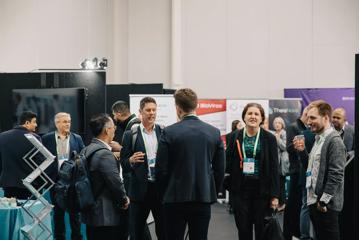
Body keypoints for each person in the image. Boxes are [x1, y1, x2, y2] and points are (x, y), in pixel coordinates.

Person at [156, 88, 225, 240]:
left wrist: (163, 194)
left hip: (174, 198)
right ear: (196, 105)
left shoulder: (169, 132)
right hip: (202, 197)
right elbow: (220, 169)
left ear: (178, 108)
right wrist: (211, 190)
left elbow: (161, 170)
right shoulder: (213, 132)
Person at [226, 102, 279, 240]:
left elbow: (274, 168)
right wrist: (228, 185)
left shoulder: (270, 138)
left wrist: (275, 195)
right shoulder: (234, 136)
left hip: (262, 192)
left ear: (262, 118)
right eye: (250, 113)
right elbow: (228, 163)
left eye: (256, 114)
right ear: (244, 117)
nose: (253, 116)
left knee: (261, 230)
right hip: (240, 190)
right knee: (243, 229)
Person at [294, 100, 346, 240]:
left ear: (325, 118)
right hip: (314, 201)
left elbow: (336, 174)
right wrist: (301, 151)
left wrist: (323, 201)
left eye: (313, 118)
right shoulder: (318, 139)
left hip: (325, 206)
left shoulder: (334, 141)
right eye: (308, 117)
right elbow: (309, 169)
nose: (308, 121)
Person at [121, 97, 165, 240]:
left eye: (154, 110)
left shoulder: (163, 132)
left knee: (163, 231)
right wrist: (130, 160)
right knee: (137, 232)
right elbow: (123, 163)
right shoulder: (130, 135)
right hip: (140, 192)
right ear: (140, 112)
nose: (151, 113)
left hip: (159, 190)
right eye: (148, 110)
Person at [82, 114, 129, 240]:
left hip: (92, 213)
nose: (115, 130)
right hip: (106, 215)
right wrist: (124, 199)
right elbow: (115, 182)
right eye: (113, 127)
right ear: (107, 130)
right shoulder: (104, 154)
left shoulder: (87, 149)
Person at [111, 100, 151, 240]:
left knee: (137, 220)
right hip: (136, 180)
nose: (114, 120)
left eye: (114, 116)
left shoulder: (133, 126)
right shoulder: (132, 125)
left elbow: (139, 154)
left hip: (137, 181)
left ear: (118, 113)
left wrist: (119, 149)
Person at [42, 112, 85, 240]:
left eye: (69, 121)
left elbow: (82, 157)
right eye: (65, 121)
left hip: (72, 181)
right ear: (57, 123)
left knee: (75, 213)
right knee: (58, 213)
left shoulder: (77, 138)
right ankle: (59, 237)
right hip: (55, 180)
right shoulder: (46, 138)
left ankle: (76, 237)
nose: (68, 124)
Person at [283, 106, 315, 240]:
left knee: (301, 205)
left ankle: (296, 232)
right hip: (296, 170)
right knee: (293, 205)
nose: (312, 119)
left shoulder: (309, 128)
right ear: (306, 112)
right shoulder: (293, 126)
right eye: (311, 115)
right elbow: (289, 148)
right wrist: (300, 145)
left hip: (306, 169)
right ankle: (290, 233)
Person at [0, 111, 40, 199]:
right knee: (26, 212)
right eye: (34, 122)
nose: (36, 125)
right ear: (27, 123)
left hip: (8, 184)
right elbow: (40, 161)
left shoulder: (2, 136)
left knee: (11, 210)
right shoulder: (35, 138)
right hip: (28, 184)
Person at [271, 116, 289, 212]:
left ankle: (282, 203)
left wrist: (277, 139)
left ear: (282, 124)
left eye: (279, 123)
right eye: (276, 123)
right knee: (275, 183)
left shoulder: (284, 134)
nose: (277, 124)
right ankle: (276, 202)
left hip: (282, 164)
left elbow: (285, 147)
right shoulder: (273, 134)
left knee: (281, 184)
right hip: (274, 162)